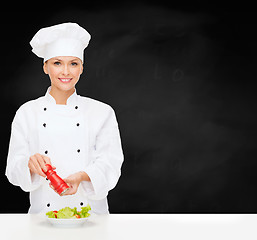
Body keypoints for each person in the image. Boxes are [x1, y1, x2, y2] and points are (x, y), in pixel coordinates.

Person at [5, 22, 124, 214]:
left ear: (82, 68)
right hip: (43, 216)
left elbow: (111, 163)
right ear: (45, 67)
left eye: (73, 63)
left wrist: (82, 177)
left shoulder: (102, 112)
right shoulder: (27, 112)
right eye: (57, 63)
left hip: (91, 216)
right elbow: (12, 170)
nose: (66, 72)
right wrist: (29, 165)